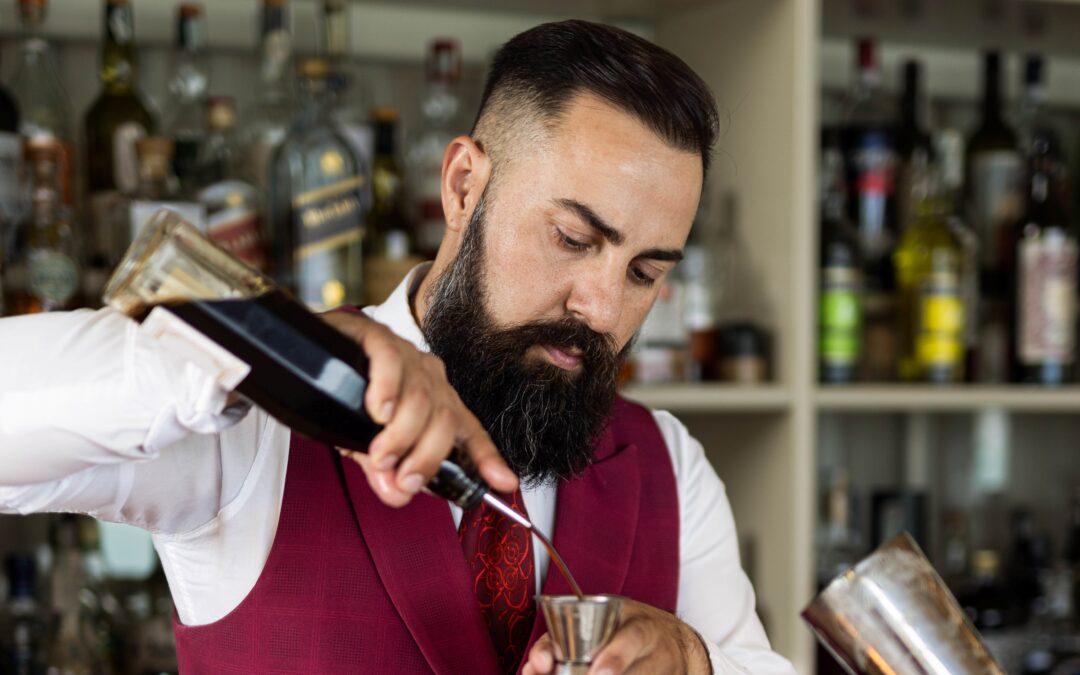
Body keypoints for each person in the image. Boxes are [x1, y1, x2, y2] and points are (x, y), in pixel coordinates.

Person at [0, 20, 796, 675]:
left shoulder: (669, 466)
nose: (601, 308)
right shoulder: (255, 425)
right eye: (573, 237)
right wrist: (275, 355)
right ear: (461, 187)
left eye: (645, 271)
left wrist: (696, 659)